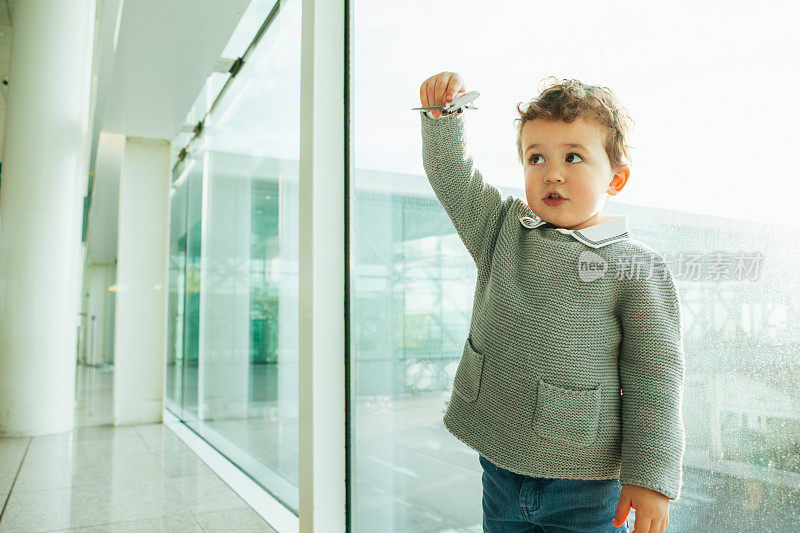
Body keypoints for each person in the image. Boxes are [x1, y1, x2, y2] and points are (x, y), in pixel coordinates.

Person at [418, 71, 685, 533]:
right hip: (499, 461)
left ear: (615, 179)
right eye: (535, 157)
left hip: (586, 482)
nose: (552, 173)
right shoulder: (501, 230)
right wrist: (443, 119)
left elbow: (655, 377)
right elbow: (452, 178)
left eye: (574, 157)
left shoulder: (635, 266)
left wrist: (651, 477)